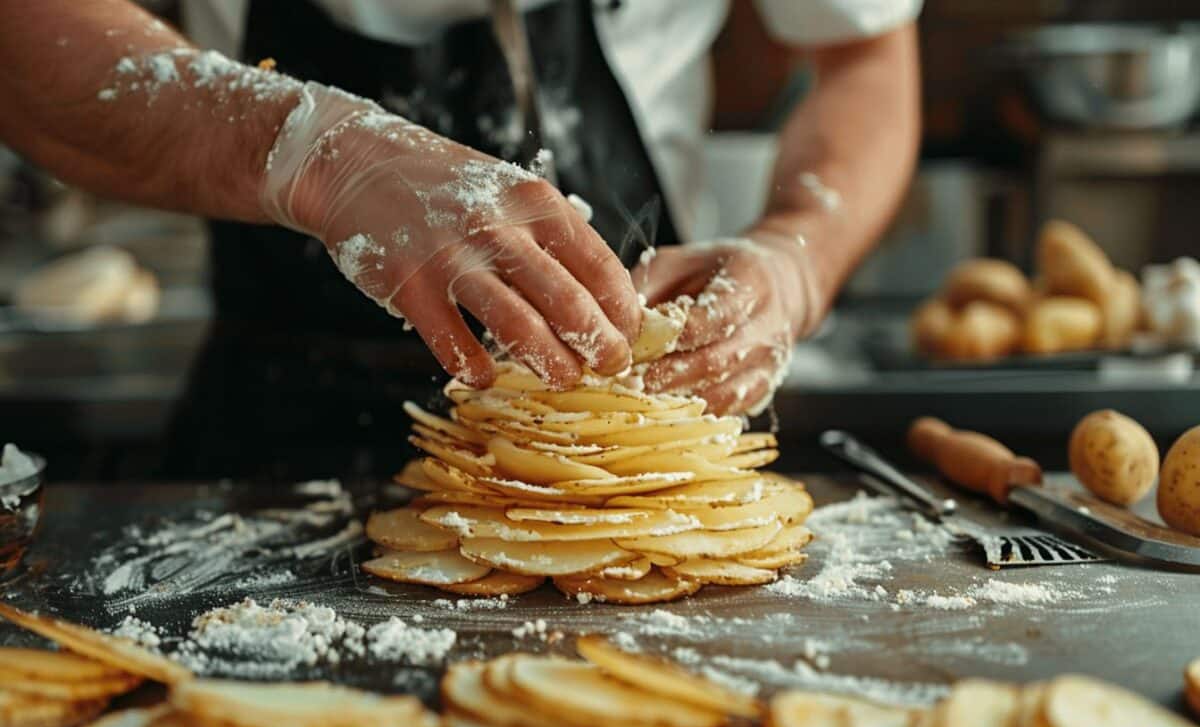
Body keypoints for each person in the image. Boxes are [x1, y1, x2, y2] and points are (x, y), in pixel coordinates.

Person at [0, 0, 921, 478]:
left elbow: (865, 56)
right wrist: (320, 157)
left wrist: (798, 254)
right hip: (275, 418)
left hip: (638, 428)